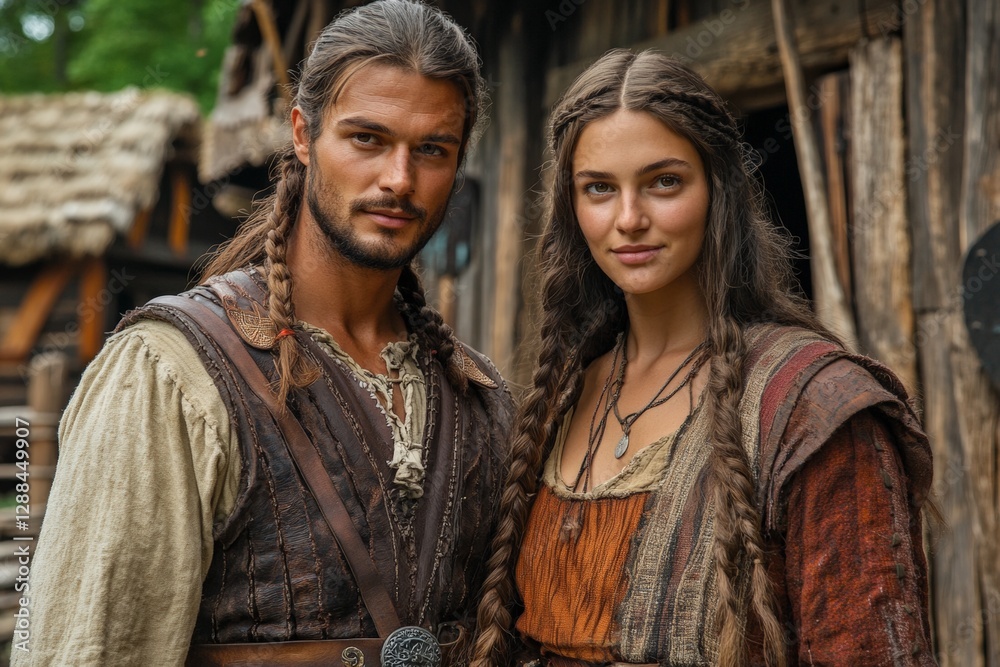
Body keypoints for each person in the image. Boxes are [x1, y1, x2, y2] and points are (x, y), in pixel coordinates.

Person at [15, 2, 513, 665]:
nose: (399, 178)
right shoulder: (172, 373)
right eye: (367, 138)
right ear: (303, 136)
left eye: (431, 149)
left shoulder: (475, 393)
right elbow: (90, 649)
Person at [470, 49, 935, 667]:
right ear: (571, 206)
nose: (629, 219)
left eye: (664, 182)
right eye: (599, 189)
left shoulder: (812, 409)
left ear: (719, 190)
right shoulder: (563, 396)